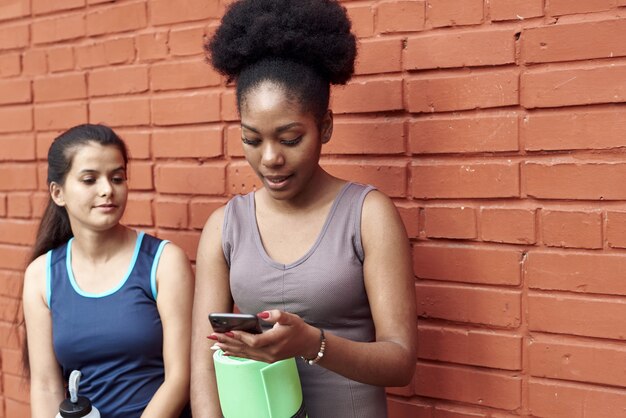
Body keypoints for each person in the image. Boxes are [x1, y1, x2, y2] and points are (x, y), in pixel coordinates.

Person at [191, 0, 417, 417]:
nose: (270, 158)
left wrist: (312, 343)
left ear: (325, 126)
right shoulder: (225, 227)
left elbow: (400, 361)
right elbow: (203, 365)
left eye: (290, 138)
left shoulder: (367, 215)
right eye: (252, 139)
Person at [22, 124, 193, 418]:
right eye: (90, 179)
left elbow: (180, 376)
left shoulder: (164, 262)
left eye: (117, 178)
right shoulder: (41, 276)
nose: (107, 190)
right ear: (58, 193)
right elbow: (46, 386)